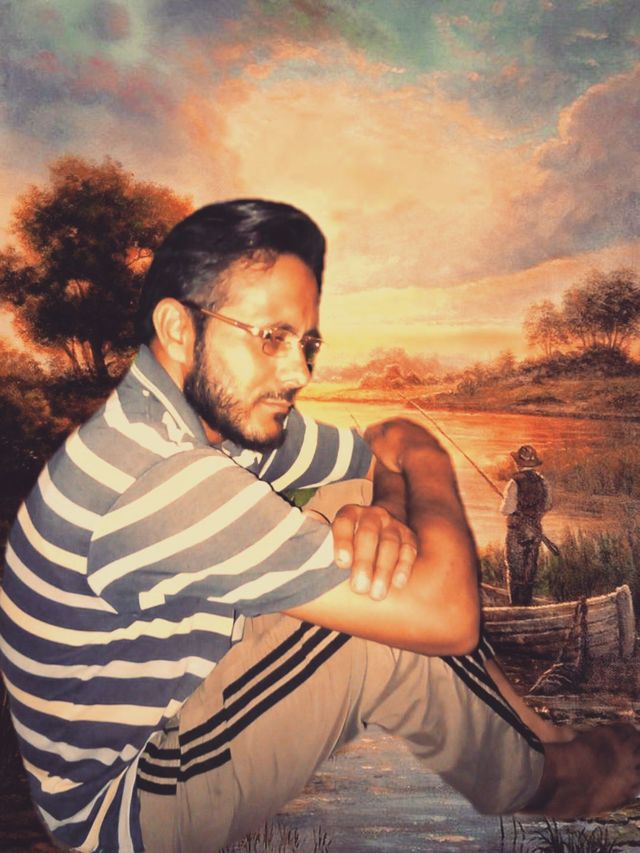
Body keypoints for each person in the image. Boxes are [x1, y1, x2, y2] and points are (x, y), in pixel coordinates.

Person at [1, 200, 639, 853]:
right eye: (270, 338)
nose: (298, 372)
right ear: (179, 328)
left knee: (351, 510)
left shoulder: (205, 415)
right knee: (376, 632)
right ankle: (548, 780)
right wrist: (426, 459)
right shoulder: (158, 474)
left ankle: (535, 736)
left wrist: (383, 509)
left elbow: (375, 452)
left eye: (305, 344)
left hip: (171, 701)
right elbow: (450, 618)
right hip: (123, 808)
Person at [500, 445, 552, 605]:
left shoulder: (514, 482)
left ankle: (516, 607)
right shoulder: (542, 481)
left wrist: (511, 507)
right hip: (535, 531)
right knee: (529, 572)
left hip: (517, 533)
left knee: (515, 572)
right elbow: (548, 505)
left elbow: (506, 510)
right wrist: (534, 516)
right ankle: (526, 606)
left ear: (518, 463)